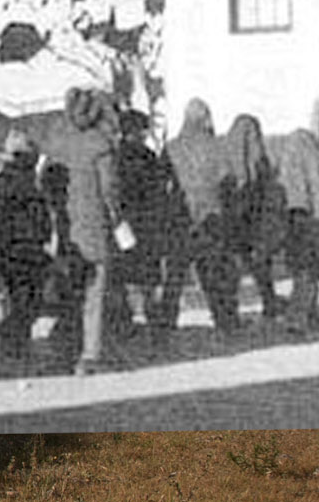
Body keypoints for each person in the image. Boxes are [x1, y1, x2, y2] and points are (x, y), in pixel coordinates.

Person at [45, 87, 124, 375]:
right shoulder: (100, 145)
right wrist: (118, 220)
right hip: (94, 227)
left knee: (70, 291)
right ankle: (90, 354)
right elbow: (110, 191)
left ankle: (63, 348)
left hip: (66, 228)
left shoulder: (57, 142)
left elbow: (47, 182)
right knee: (95, 292)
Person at [0, 129, 52, 361]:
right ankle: (16, 342)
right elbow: (38, 217)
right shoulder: (23, 183)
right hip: (21, 249)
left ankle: (14, 341)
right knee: (25, 299)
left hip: (6, 248)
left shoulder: (0, 180)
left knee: (15, 298)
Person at [166, 98, 239, 332]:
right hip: (211, 218)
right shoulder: (216, 146)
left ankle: (165, 321)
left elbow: (161, 184)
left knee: (175, 275)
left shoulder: (171, 147)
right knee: (213, 274)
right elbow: (227, 182)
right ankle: (225, 318)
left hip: (181, 218)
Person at [112, 109, 179, 350]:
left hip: (123, 226)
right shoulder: (148, 157)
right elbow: (160, 191)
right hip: (148, 225)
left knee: (122, 276)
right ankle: (154, 327)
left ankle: (123, 323)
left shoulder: (114, 156)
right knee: (149, 280)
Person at [223, 113, 289, 326]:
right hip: (257, 224)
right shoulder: (260, 160)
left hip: (233, 223)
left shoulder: (225, 157)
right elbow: (269, 189)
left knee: (233, 269)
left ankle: (229, 313)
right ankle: (269, 304)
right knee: (262, 267)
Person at [270, 104, 319, 333]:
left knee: (304, 270)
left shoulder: (294, 143)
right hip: (306, 217)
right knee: (308, 271)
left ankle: (304, 316)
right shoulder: (307, 144)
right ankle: (298, 320)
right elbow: (316, 183)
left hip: (292, 216)